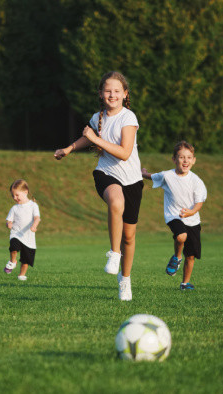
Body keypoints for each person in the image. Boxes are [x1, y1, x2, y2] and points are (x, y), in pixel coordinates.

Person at [54, 71, 143, 301]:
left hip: (132, 179)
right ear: (101, 94)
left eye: (116, 91)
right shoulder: (98, 117)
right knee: (116, 201)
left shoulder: (128, 118)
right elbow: (89, 136)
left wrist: (95, 140)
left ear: (125, 94)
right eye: (107, 91)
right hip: (106, 173)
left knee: (130, 237)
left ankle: (125, 280)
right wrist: (69, 148)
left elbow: (124, 153)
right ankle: (114, 254)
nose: (112, 95)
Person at [142, 141, 207, 290]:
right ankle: (177, 257)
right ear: (174, 159)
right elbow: (152, 176)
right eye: (181, 157)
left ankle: (185, 283)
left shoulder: (197, 181)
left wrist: (192, 211)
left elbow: (199, 202)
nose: (185, 161)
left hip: (193, 220)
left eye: (189, 157)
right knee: (181, 236)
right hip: (174, 216)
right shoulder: (167, 176)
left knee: (191, 256)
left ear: (194, 160)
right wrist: (143, 173)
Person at [4, 179, 41, 281]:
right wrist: (9, 224)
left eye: (17, 195)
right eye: (13, 196)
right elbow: (8, 220)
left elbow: (37, 218)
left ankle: (21, 275)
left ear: (25, 192)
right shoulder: (14, 208)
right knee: (13, 247)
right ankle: (12, 261)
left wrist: (34, 226)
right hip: (16, 233)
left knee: (26, 260)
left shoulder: (33, 205)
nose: (15, 198)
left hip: (28, 237)